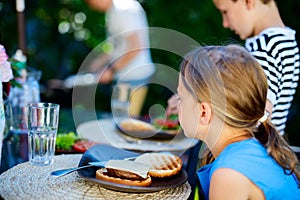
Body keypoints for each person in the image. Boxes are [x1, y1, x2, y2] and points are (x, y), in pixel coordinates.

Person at [177, 44, 300, 199]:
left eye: (180, 98)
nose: (178, 105)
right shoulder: (250, 148)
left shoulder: (229, 174)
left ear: (204, 113)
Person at [168, 0, 300, 136]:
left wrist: (192, 103)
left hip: (250, 152)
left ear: (248, 2)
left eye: (225, 11)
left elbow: (259, 111)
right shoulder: (284, 41)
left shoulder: (266, 47)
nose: (225, 23)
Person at [49, 0, 155, 117]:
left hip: (134, 76)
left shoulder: (124, 11)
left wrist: (111, 70)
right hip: (124, 75)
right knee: (119, 119)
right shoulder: (114, 11)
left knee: (124, 121)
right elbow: (118, 46)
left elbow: (136, 47)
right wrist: (100, 62)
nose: (90, 5)